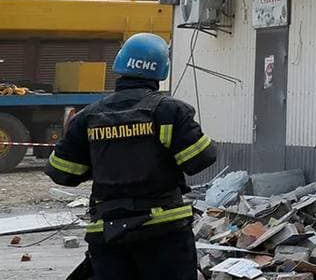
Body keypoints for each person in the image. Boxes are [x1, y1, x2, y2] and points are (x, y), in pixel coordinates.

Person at [45, 33, 216, 280]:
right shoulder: (171, 111)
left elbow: (60, 172)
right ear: (162, 70)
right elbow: (201, 158)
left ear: (120, 65)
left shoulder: (88, 117)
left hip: (109, 233)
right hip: (164, 232)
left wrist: (101, 161)